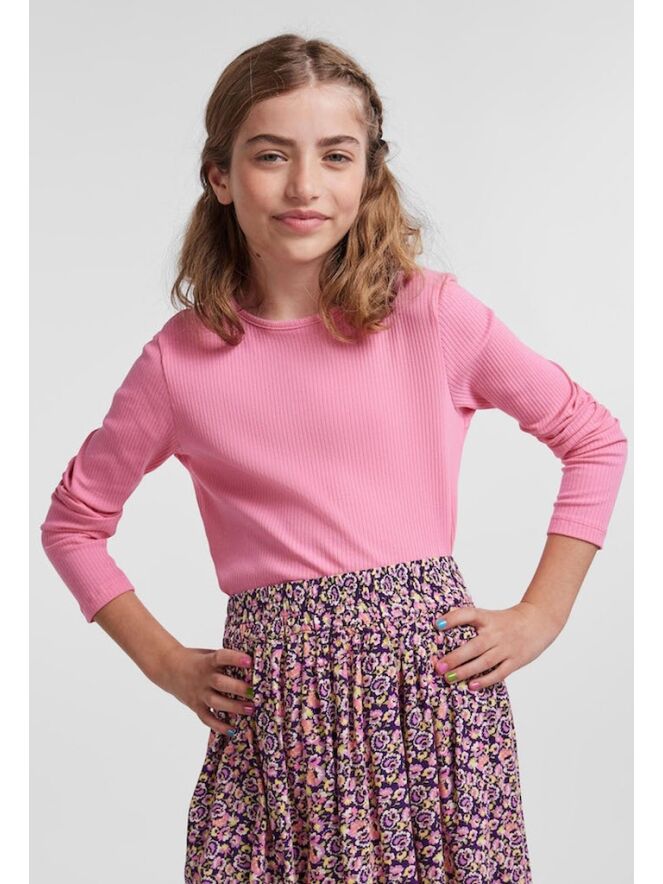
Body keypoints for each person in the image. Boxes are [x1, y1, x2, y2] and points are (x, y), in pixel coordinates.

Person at [39, 32, 628, 884]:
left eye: (335, 156)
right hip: (278, 727)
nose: (304, 186)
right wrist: (165, 662)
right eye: (270, 155)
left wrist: (542, 613)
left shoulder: (432, 317)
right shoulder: (179, 362)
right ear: (219, 176)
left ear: (368, 176)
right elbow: (74, 524)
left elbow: (593, 438)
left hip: (431, 710)